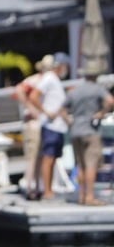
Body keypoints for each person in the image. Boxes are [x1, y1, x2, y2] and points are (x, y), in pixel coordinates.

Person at [63, 61, 113, 206]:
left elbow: (62, 108)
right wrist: (101, 113)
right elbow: (110, 101)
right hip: (90, 131)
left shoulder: (75, 91)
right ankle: (90, 197)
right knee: (91, 165)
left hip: (75, 130)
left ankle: (82, 196)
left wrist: (69, 121)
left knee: (80, 165)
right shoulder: (97, 89)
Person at [27, 52, 71, 201]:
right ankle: (47, 191)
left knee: (52, 158)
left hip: (57, 126)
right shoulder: (49, 78)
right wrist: (45, 112)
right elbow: (33, 96)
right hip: (51, 126)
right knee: (48, 158)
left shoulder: (54, 80)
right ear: (60, 66)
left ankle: (48, 189)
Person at [14, 60, 47, 199]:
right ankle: (29, 188)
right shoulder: (34, 81)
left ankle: (38, 186)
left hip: (41, 123)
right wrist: (32, 109)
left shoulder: (45, 80)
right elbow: (19, 90)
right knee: (32, 157)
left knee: (40, 156)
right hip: (32, 123)